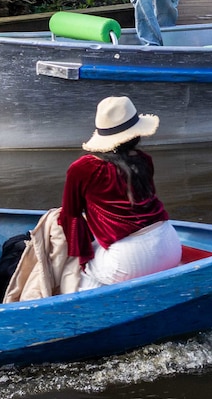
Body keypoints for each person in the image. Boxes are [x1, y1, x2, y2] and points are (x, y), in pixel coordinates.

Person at [60, 97, 182, 289]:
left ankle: (85, 309)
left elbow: (71, 216)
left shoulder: (83, 167)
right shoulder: (144, 160)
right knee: (98, 254)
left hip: (129, 260)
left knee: (82, 265)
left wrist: (81, 257)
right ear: (137, 134)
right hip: (171, 245)